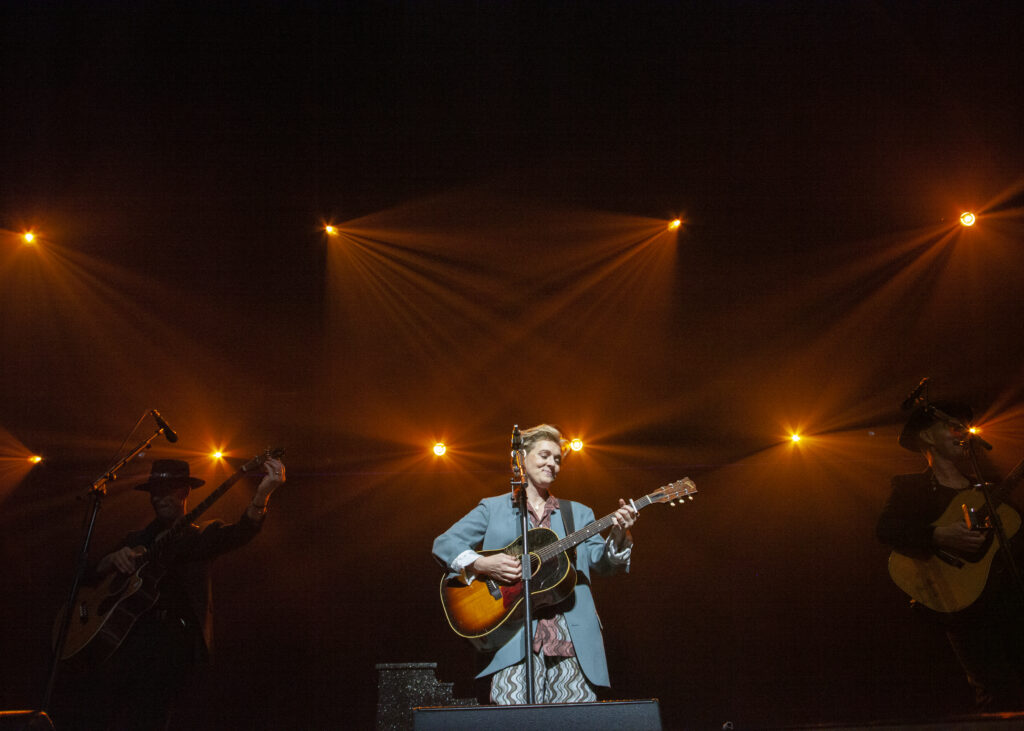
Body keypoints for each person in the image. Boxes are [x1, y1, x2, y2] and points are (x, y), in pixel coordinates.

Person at [55, 456, 285, 730]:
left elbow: (241, 533)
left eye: (168, 490)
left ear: (185, 492)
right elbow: (84, 577)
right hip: (122, 649)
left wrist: (261, 495)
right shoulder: (135, 539)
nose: (159, 497)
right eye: (155, 491)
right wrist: (111, 560)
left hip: (170, 650)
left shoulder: (198, 537)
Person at [432, 424, 636, 704]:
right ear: (522, 457)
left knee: (574, 722)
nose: (552, 464)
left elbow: (603, 563)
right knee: (516, 720)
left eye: (557, 459)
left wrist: (619, 534)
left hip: (571, 637)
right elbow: (444, 544)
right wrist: (483, 564)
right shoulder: (493, 508)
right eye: (544, 455)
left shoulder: (577, 513)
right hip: (513, 637)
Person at [877, 401, 1024, 710]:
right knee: (996, 691)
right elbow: (886, 530)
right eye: (952, 426)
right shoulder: (912, 488)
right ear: (927, 437)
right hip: (963, 607)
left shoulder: (985, 489)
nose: (962, 433)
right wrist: (938, 534)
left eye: (963, 427)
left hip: (1009, 599)